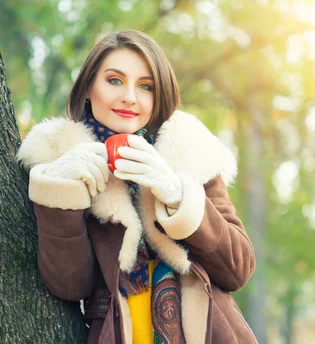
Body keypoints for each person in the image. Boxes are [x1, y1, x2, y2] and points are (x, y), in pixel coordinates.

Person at [17, 30, 257, 343]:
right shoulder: (58, 156)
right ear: (88, 87)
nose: (130, 96)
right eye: (114, 80)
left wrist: (177, 194)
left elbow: (237, 269)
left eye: (145, 86)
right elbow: (70, 284)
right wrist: (60, 190)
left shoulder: (189, 151)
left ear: (159, 97)